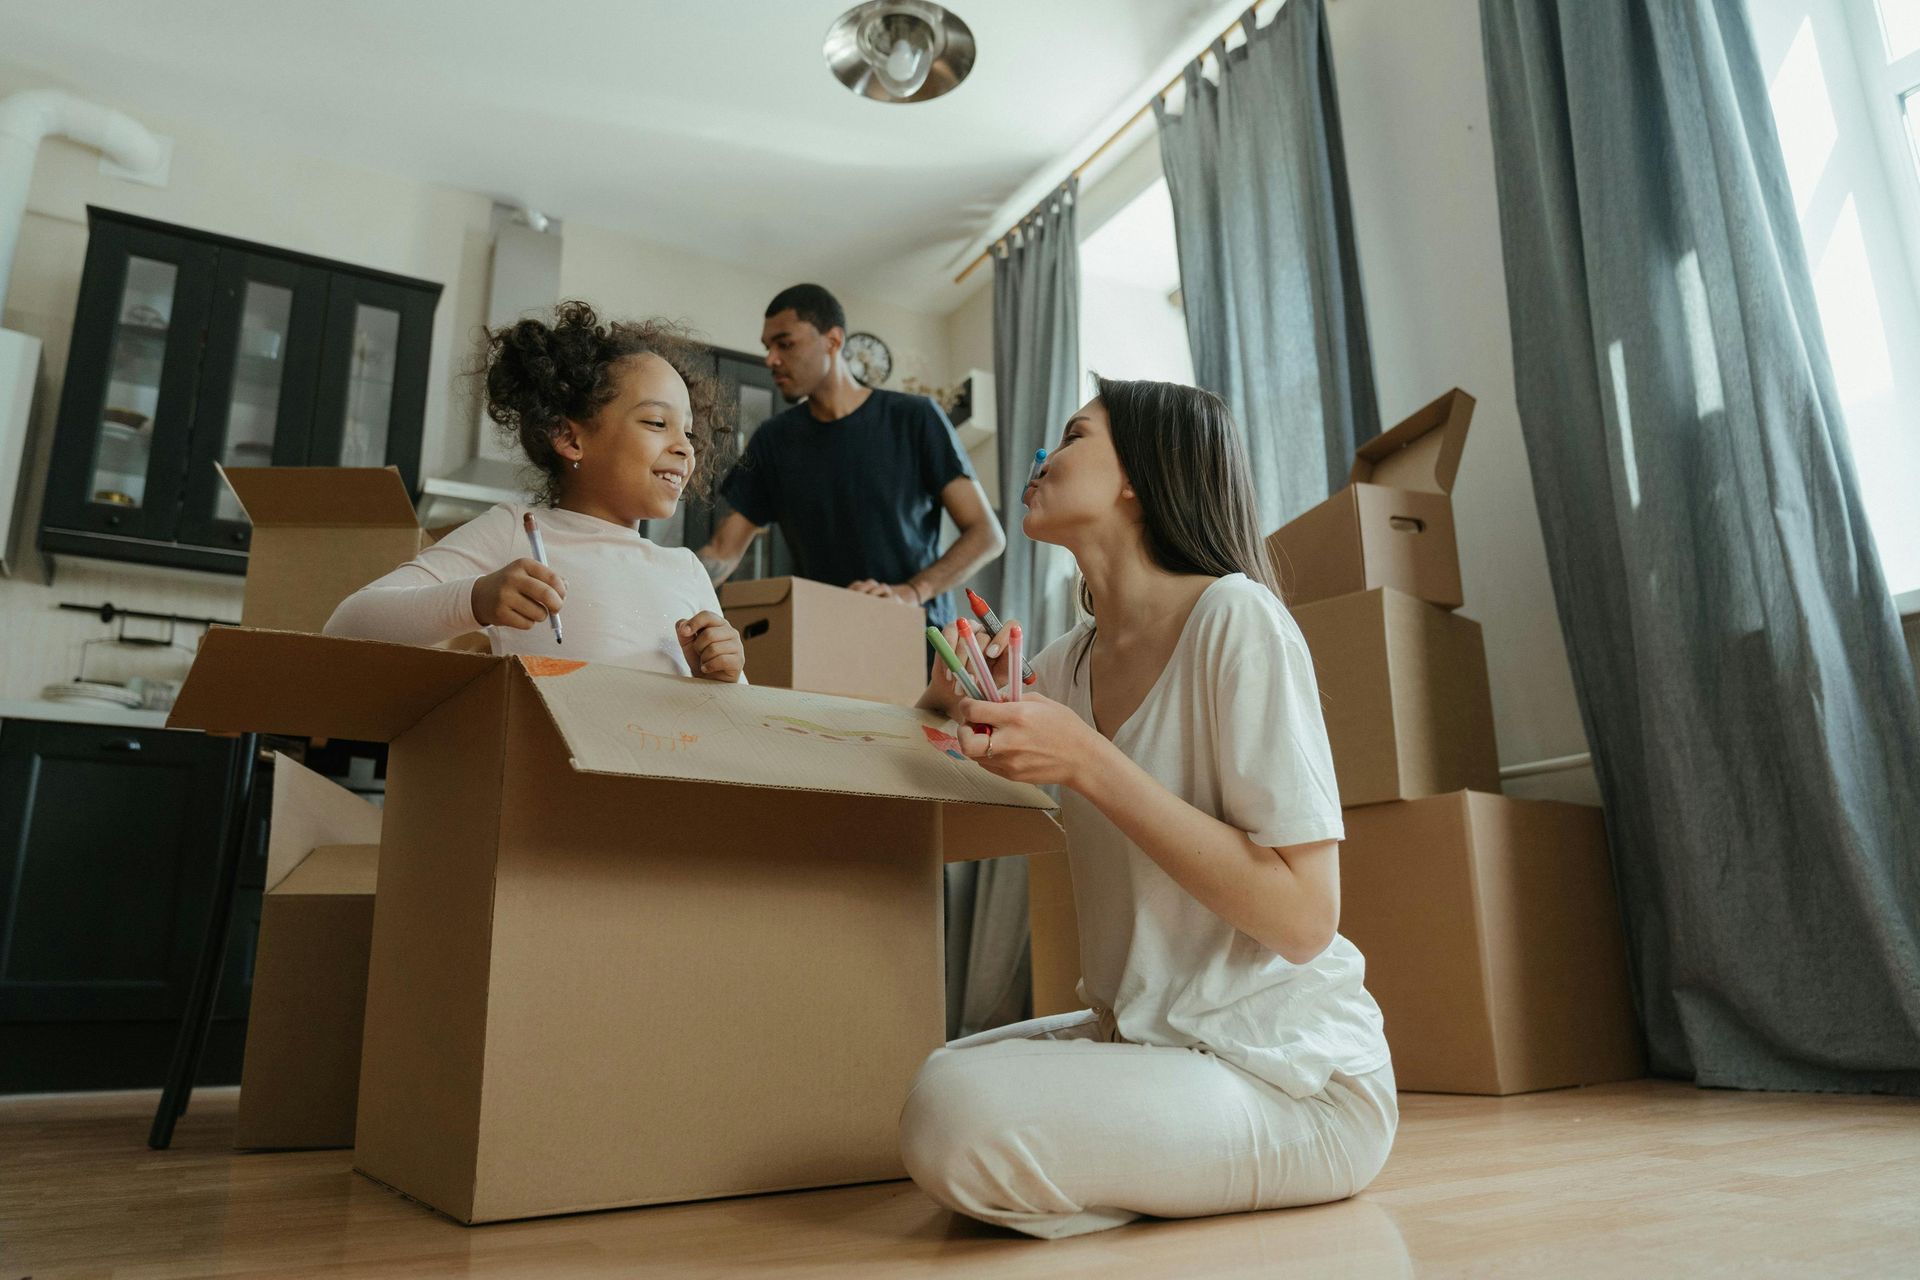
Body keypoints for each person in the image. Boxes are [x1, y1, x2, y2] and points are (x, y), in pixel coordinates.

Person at [898, 377, 1396, 1239]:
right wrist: (949, 691)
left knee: (952, 1112)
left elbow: (1308, 920)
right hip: (1152, 1042)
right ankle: (1139, 1166)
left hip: (1292, 1081)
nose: (1042, 458)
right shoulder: (1068, 658)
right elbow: (940, 726)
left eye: (1073, 435)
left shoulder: (1236, 618)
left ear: (1138, 477)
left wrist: (1090, 761)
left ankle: (1128, 1169)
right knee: (933, 1074)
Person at [326, 301, 744, 682]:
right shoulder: (518, 532)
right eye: (657, 422)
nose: (685, 447)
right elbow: (346, 627)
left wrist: (723, 674)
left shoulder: (687, 570)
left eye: (688, 431)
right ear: (569, 438)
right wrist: (475, 600)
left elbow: (728, 721)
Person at [695, 284, 1003, 628]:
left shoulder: (915, 418)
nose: (771, 359)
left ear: (834, 340)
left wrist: (912, 591)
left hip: (916, 638)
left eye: (785, 343)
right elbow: (723, 551)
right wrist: (661, 582)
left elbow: (986, 534)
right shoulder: (773, 439)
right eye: (768, 348)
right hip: (820, 641)